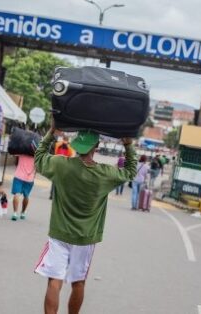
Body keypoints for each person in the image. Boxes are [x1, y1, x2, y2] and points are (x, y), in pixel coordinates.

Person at [34, 120, 136, 314]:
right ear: (96, 146)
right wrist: (128, 145)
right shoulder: (105, 174)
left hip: (59, 234)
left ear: (76, 145)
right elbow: (131, 171)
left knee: (54, 282)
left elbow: (38, 158)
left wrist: (51, 133)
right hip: (85, 239)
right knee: (78, 282)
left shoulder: (60, 165)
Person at [11, 154, 36, 221]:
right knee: (26, 196)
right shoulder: (36, 155)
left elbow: (14, 156)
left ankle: (15, 213)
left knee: (16, 194)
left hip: (18, 176)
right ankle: (23, 213)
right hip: (30, 178)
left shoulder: (21, 152)